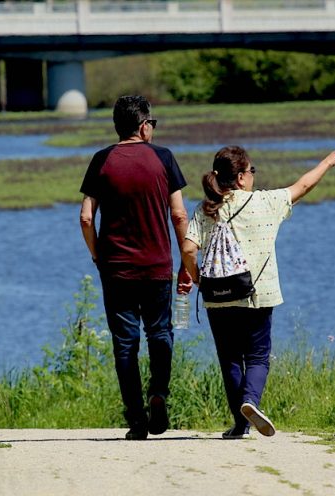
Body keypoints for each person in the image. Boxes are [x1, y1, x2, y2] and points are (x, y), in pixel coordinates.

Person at [181, 144, 335, 439]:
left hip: (218, 297)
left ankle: (240, 425)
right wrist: (328, 161)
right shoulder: (266, 202)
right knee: (257, 356)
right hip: (258, 294)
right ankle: (251, 402)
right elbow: (304, 185)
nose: (253, 176)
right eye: (251, 171)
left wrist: (197, 279)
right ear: (242, 177)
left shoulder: (206, 208)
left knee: (230, 359)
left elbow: (188, 248)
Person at [79, 95, 193, 440]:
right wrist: (187, 264)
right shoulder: (163, 158)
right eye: (152, 124)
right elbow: (179, 215)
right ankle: (159, 392)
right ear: (144, 126)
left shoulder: (101, 160)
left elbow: (86, 217)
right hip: (158, 265)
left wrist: (99, 256)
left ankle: (137, 419)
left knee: (125, 343)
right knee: (160, 333)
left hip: (116, 268)